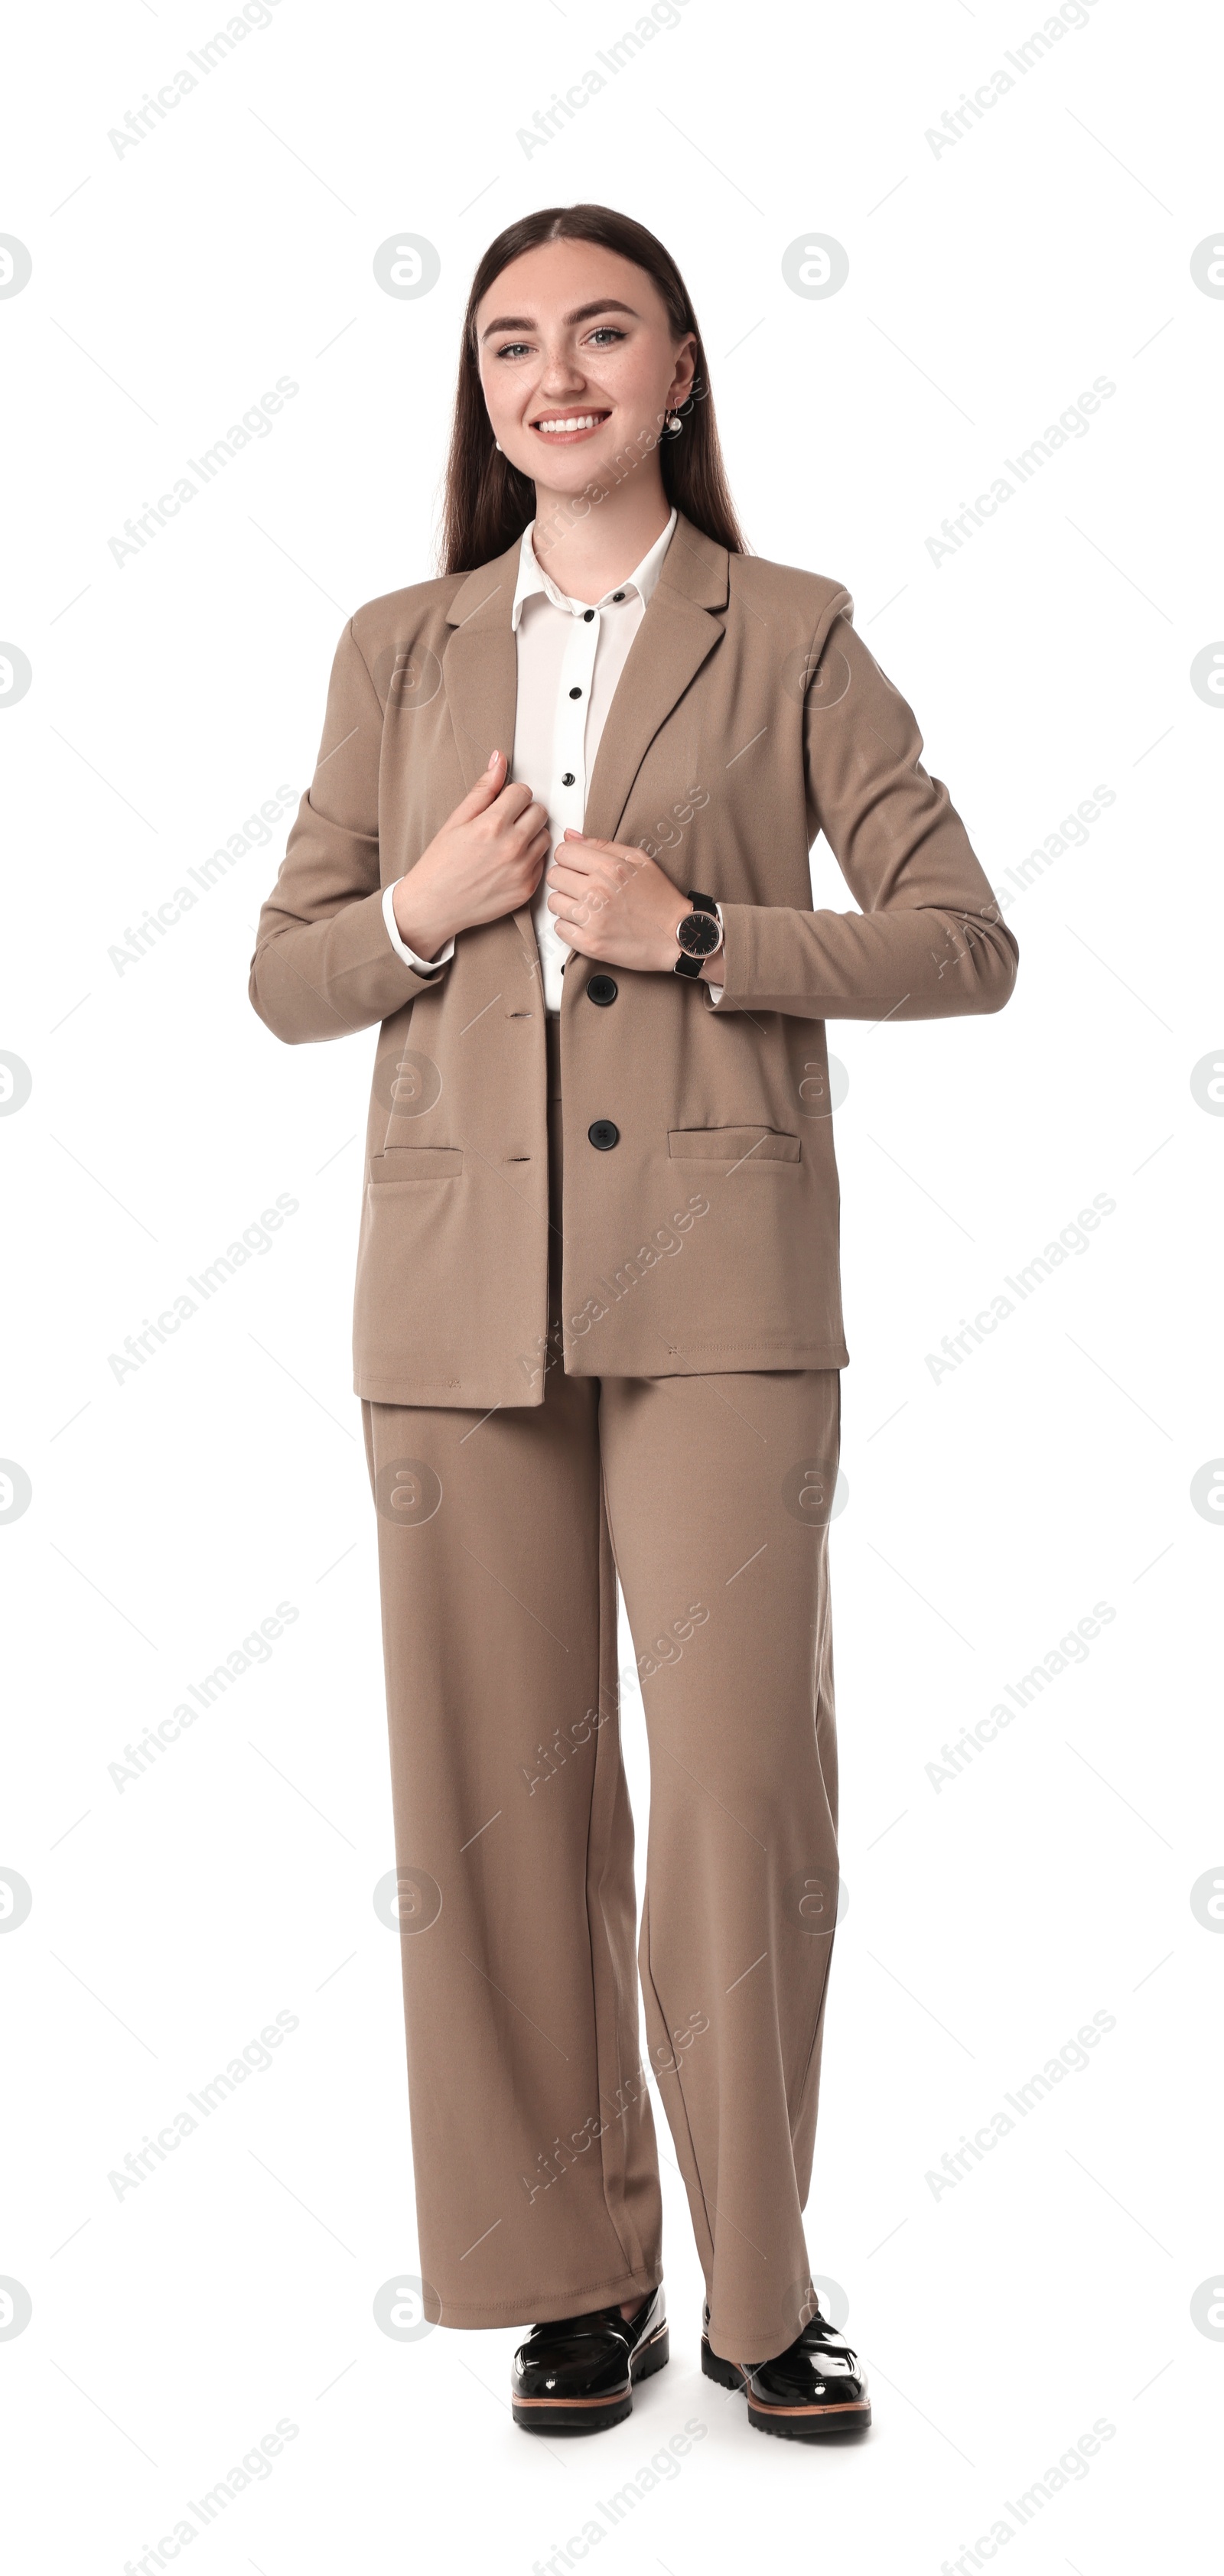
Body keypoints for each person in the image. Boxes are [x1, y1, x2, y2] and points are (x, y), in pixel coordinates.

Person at [249, 203, 1017, 2444]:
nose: (554, 374)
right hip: (455, 1296)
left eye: (600, 333)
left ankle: (761, 2288)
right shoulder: (397, 649)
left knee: (741, 1796)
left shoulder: (792, 635)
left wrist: (705, 934)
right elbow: (289, 972)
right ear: (477, 390)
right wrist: (424, 905)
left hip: (724, 1294)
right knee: (497, 1802)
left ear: (679, 368)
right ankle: (576, 2269)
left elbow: (966, 939)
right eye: (511, 344)